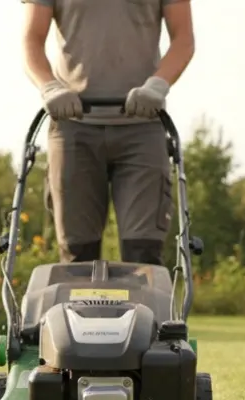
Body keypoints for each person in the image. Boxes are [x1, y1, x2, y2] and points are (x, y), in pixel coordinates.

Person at [21, 0, 195, 265]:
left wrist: (158, 85)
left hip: (142, 126)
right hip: (73, 127)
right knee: (77, 254)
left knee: (144, 253)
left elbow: (183, 39)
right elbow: (31, 40)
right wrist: (50, 87)